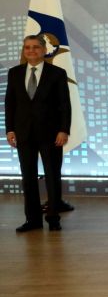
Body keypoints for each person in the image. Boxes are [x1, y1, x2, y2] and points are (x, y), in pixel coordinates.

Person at [5, 35, 70, 232]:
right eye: (27, 47)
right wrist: (10, 129)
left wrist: (63, 130)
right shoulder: (14, 73)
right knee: (28, 177)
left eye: (35, 47)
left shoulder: (57, 73)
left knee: (52, 176)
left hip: (51, 134)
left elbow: (64, 105)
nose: (31, 50)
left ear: (43, 50)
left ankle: (53, 218)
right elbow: (10, 103)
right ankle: (32, 220)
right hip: (23, 134)